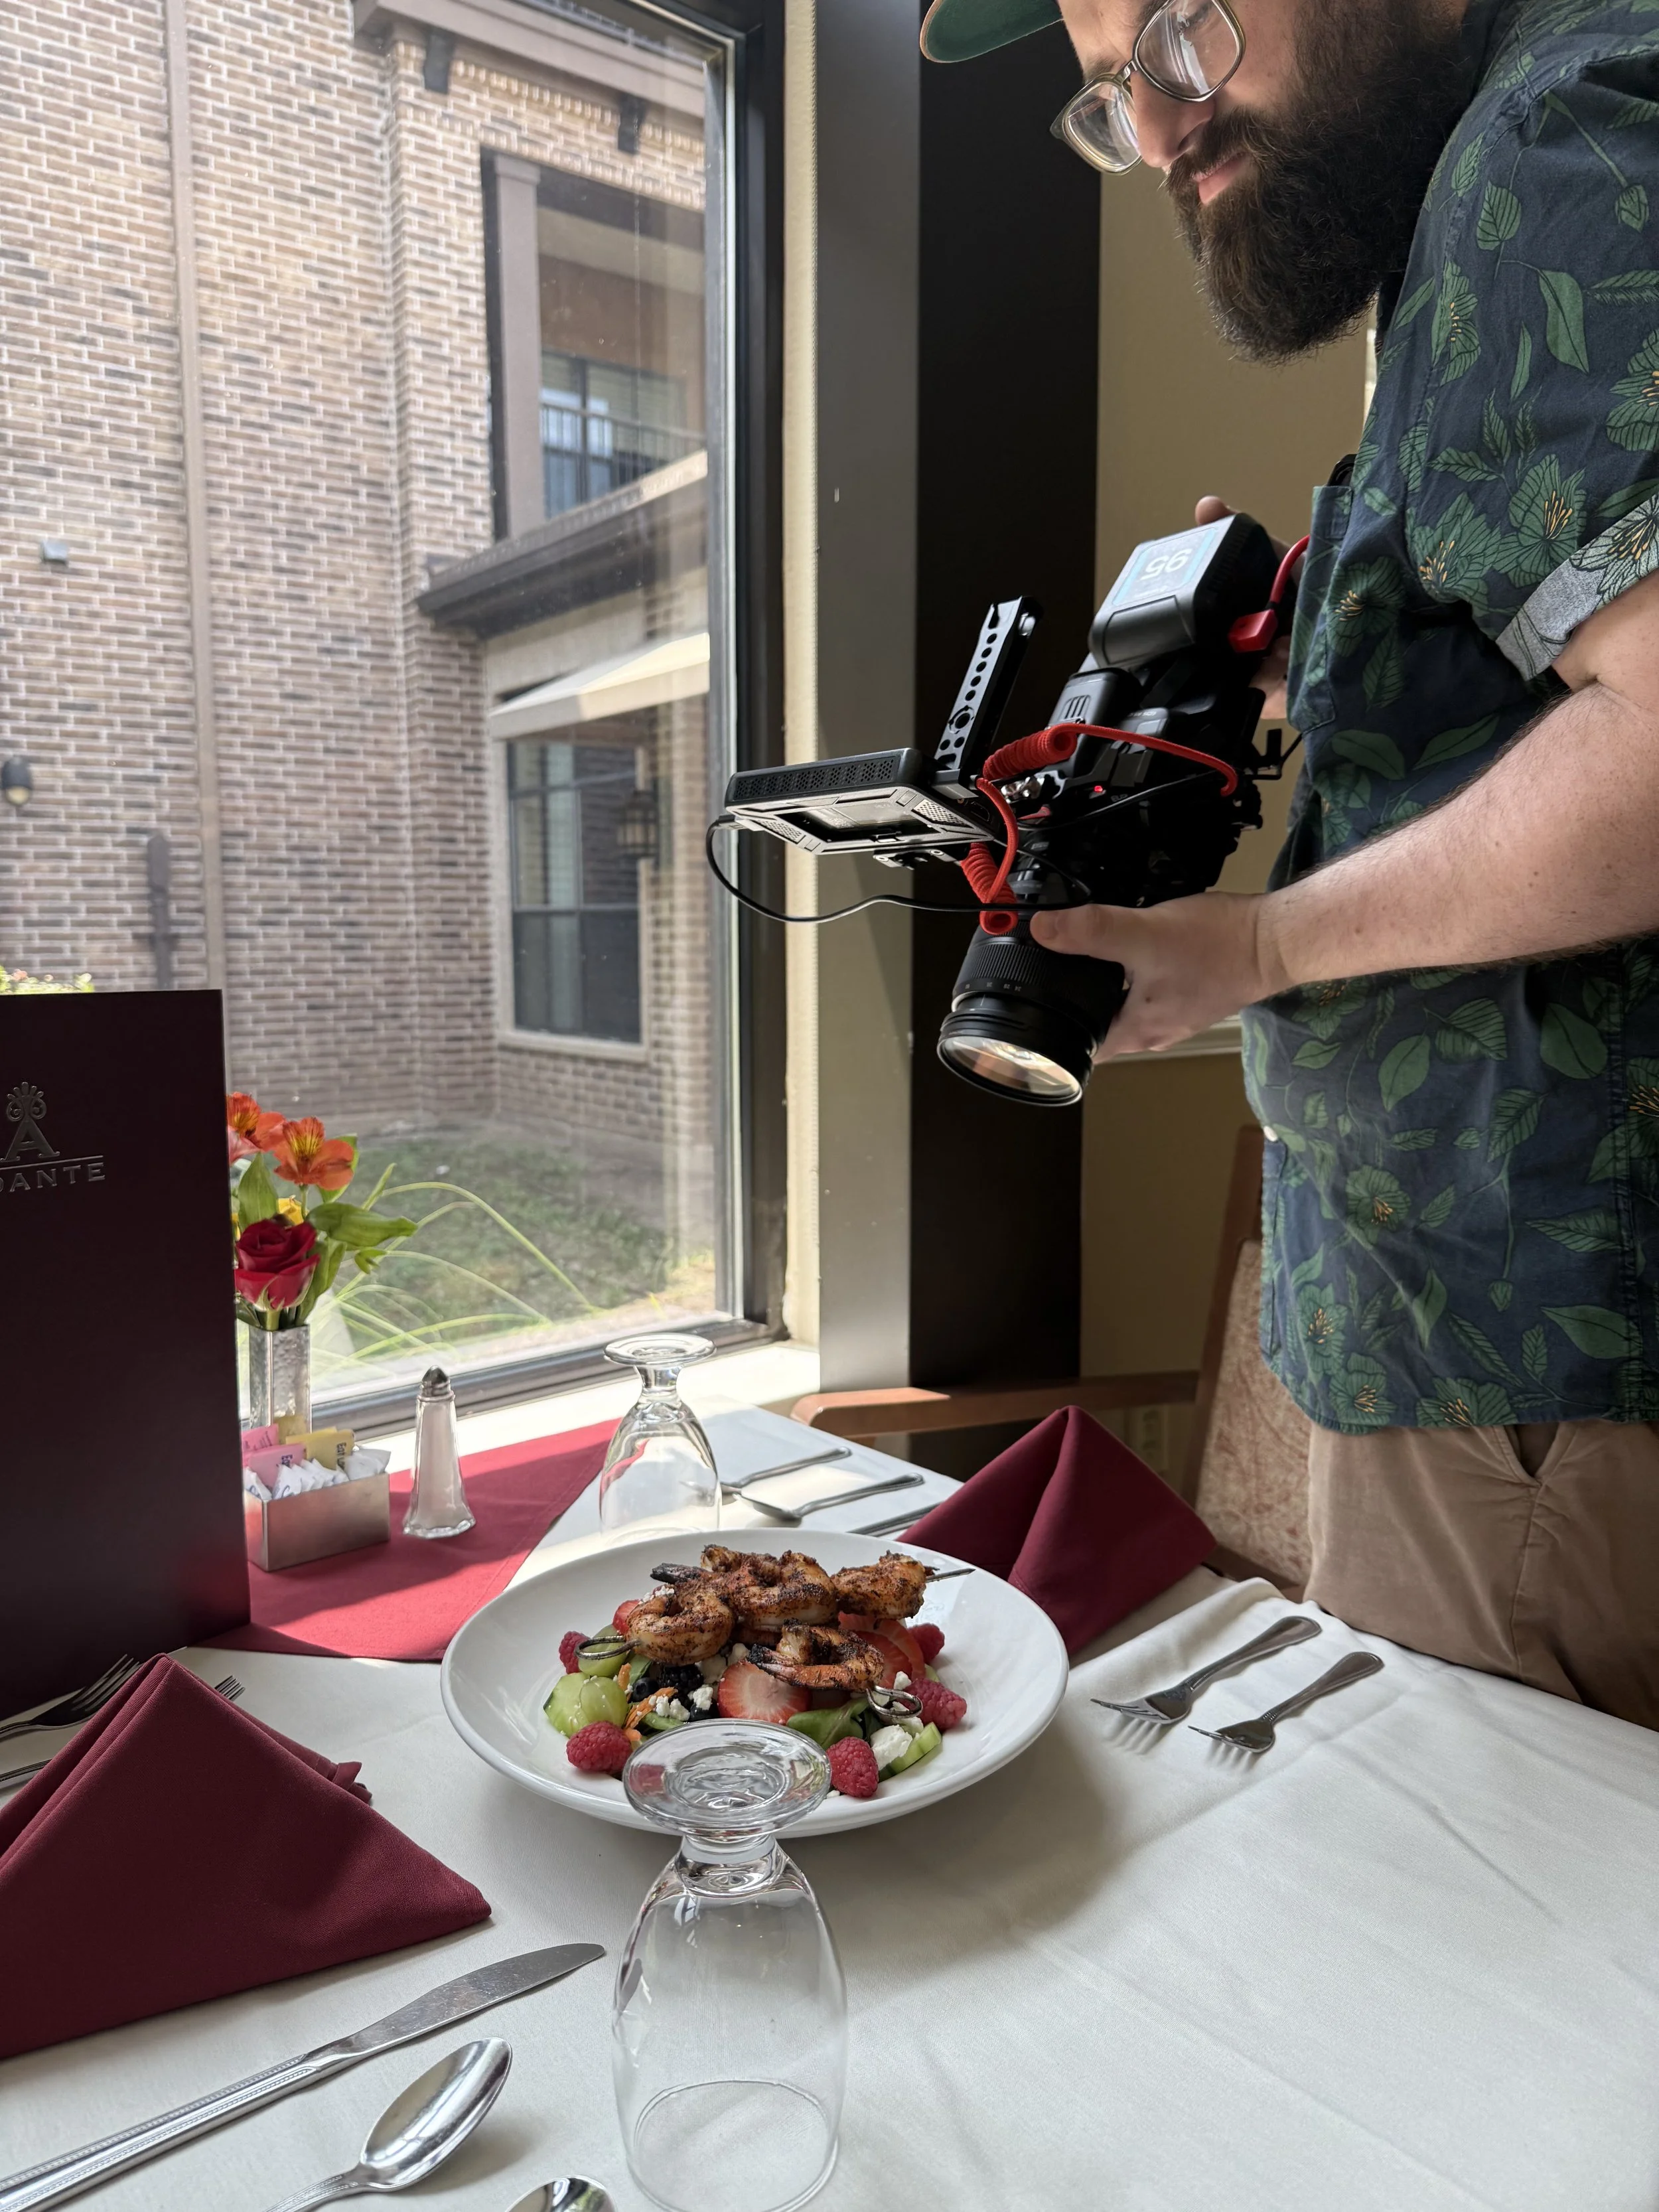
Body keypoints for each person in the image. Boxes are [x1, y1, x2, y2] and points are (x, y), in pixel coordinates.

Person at [919, 0, 1659, 1728]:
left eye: (1179, 32)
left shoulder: (1548, 149)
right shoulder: (1480, 189)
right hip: (1490, 1379)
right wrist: (1323, 641)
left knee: (1481, 1980)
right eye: (1112, 95)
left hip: (1535, 1390)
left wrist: (1250, 948)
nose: (1161, 126)